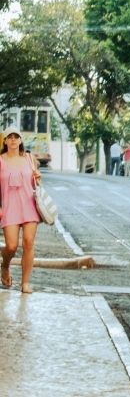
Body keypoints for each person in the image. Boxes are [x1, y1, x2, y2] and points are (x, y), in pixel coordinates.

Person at [0, 125, 42, 294]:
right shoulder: (1, 160)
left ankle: (25, 283)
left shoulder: (29, 158)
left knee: (28, 242)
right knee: (11, 246)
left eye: (16, 137)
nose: (13, 140)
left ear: (20, 140)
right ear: (4, 141)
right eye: (9, 137)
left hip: (29, 205)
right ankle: (5, 265)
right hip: (9, 207)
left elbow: (36, 182)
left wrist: (38, 178)